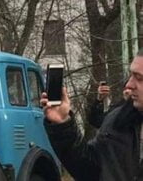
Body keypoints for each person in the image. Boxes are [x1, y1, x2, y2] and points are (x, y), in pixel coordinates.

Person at [40, 49, 143, 181]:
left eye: (139, 78)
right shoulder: (119, 120)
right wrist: (62, 124)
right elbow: (89, 170)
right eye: (131, 75)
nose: (129, 84)